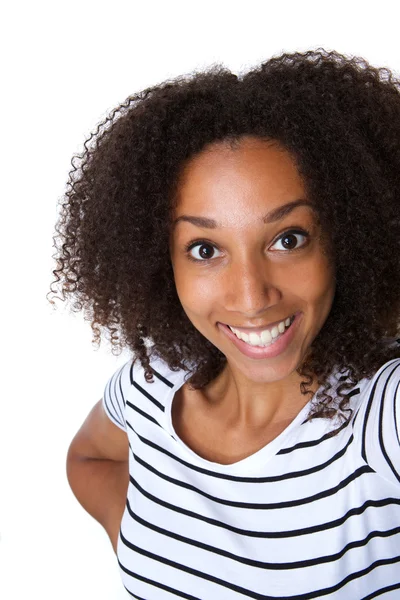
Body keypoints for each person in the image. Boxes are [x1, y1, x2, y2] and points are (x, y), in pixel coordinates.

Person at [51, 48, 400, 599]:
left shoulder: (380, 418)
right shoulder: (153, 383)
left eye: (289, 239)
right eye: (206, 248)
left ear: (348, 239)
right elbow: (90, 457)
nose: (251, 295)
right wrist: (151, 547)